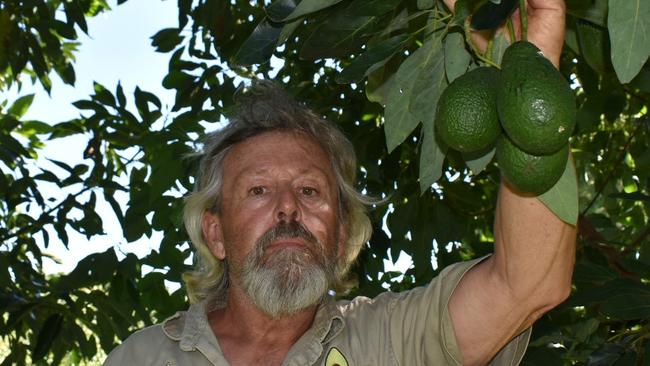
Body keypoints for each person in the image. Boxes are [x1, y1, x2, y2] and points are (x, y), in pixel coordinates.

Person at [104, 0, 575, 364]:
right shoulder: (138, 358)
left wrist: (531, 69)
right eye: (259, 190)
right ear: (214, 233)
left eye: (310, 191)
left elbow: (528, 284)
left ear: (344, 232)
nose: (288, 209)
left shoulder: (392, 341)